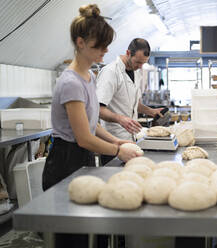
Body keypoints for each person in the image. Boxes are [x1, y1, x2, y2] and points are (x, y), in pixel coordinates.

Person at [42, 5, 139, 247]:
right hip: (64, 161)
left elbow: (92, 124)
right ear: (81, 43)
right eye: (100, 45)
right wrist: (118, 151)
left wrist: (117, 141)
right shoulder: (71, 83)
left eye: (107, 45)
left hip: (81, 158)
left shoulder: (89, 77)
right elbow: (84, 137)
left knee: (88, 233)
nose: (106, 50)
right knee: (72, 239)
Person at [96, 38, 163, 165]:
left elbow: (133, 104)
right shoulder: (110, 72)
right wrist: (120, 118)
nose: (140, 67)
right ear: (128, 53)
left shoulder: (136, 73)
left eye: (143, 63)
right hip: (112, 141)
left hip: (131, 140)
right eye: (138, 62)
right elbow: (98, 109)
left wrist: (150, 111)